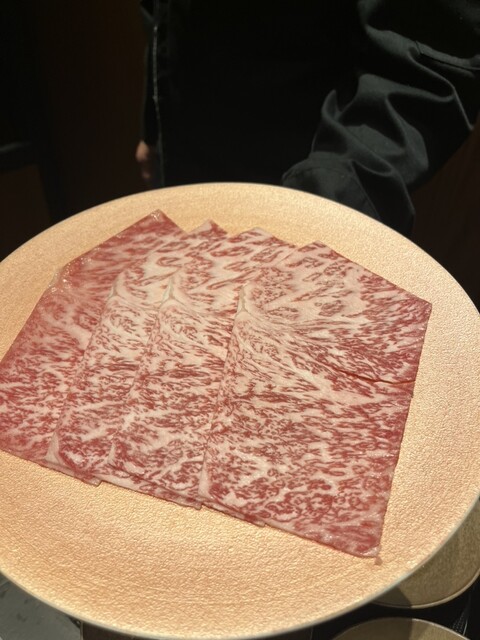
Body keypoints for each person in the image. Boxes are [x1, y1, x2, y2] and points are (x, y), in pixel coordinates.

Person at [135, 0, 480, 236]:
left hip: (309, 187)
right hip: (187, 158)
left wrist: (322, 209)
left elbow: (424, 54)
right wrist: (156, 124)